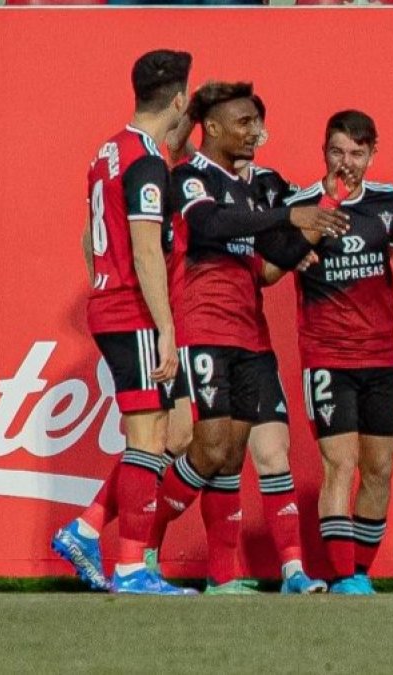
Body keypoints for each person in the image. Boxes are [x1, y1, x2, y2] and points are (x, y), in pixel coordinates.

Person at [147, 81, 345, 594]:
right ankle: (144, 542)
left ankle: (244, 574)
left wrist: (314, 228)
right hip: (203, 328)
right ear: (211, 128)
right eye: (244, 123)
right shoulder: (191, 178)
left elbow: (273, 252)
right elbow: (210, 225)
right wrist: (287, 216)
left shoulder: (256, 185)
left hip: (251, 334)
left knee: (252, 452)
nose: (256, 132)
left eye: (258, 122)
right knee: (209, 451)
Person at [50, 49, 194, 596]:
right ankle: (131, 565)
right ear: (179, 99)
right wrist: (164, 328)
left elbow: (91, 236)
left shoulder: (108, 151)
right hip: (134, 309)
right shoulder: (146, 160)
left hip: (117, 303)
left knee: (170, 433)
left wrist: (101, 281)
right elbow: (145, 249)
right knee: (147, 438)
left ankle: (87, 527)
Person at [284, 109, 393, 595]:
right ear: (324, 151)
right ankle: (342, 576)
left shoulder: (389, 201)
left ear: (372, 153)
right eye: (338, 152)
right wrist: (298, 249)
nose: (347, 163)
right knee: (340, 462)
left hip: (382, 356)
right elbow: (275, 261)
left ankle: (359, 574)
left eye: (357, 153)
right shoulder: (301, 203)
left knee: (379, 468)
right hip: (327, 356)